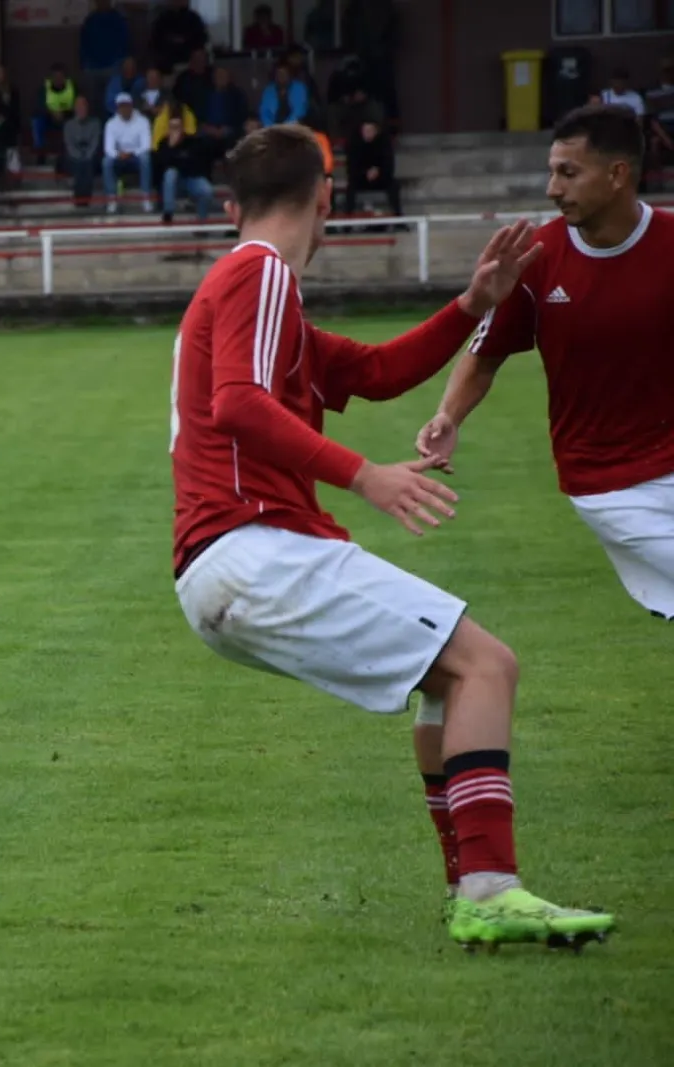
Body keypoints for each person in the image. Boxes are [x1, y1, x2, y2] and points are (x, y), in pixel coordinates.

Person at [169, 121, 615, 951]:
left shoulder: (255, 289)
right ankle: (489, 890)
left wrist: (472, 305)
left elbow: (375, 373)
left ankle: (471, 889)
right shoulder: (261, 273)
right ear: (326, 198)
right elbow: (238, 404)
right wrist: (365, 475)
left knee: (452, 679)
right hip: (256, 546)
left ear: (233, 205)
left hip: (228, 563)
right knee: (487, 664)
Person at [417, 105, 674, 625]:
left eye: (568, 173)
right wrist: (448, 416)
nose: (553, 188)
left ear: (617, 174)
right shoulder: (537, 257)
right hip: (607, 483)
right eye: (552, 172)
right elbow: (485, 355)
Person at [152, 114, 213, 222]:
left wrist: (178, 160)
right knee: (170, 173)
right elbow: (161, 166)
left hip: (191, 178)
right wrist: (171, 147)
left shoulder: (192, 142)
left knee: (206, 190)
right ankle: (168, 213)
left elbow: (195, 163)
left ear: (182, 128)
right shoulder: (164, 143)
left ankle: (202, 220)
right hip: (172, 184)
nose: (175, 130)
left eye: (177, 127)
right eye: (172, 127)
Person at [102, 93, 152, 215]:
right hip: (119, 157)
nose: (124, 109)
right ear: (117, 108)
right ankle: (112, 199)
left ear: (131, 106)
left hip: (136, 156)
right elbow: (108, 148)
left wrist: (131, 153)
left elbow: (146, 145)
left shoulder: (143, 121)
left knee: (145, 158)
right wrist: (118, 155)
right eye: (121, 106)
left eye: (126, 106)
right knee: (106, 161)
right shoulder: (111, 123)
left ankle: (146, 198)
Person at [343, 120, 402, 218]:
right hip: (361, 179)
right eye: (365, 131)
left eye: (370, 130)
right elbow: (351, 168)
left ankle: (398, 218)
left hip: (381, 178)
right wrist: (365, 173)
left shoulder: (384, 143)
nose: (367, 133)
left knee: (394, 185)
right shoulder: (355, 144)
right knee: (350, 189)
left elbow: (389, 165)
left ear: (376, 131)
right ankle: (348, 220)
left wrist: (378, 171)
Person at [63, 96, 104, 204]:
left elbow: (95, 143)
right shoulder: (68, 125)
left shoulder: (95, 123)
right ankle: (78, 197)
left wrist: (87, 156)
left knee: (88, 164)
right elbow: (69, 145)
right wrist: (79, 156)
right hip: (74, 157)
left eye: (84, 106)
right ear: (75, 109)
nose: (82, 109)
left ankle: (86, 198)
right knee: (78, 164)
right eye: (79, 106)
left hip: (90, 156)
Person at [34, 66, 77, 164]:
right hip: (49, 117)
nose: (58, 79)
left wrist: (64, 113)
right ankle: (40, 152)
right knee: (37, 120)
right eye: (55, 76)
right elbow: (39, 106)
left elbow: (78, 105)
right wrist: (52, 112)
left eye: (61, 76)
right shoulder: (45, 88)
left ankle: (68, 154)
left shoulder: (72, 88)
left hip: (67, 117)